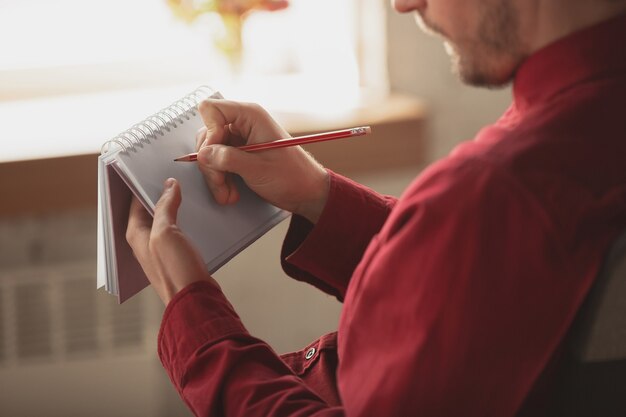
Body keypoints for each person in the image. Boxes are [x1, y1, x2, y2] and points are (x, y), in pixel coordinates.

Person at [126, 0, 626, 415]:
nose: (403, 3)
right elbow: (485, 275)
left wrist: (190, 309)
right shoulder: (578, 132)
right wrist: (317, 194)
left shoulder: (500, 189)